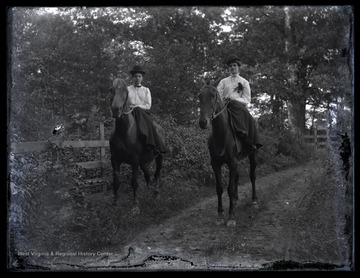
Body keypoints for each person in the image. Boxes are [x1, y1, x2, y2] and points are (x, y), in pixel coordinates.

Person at [217, 54, 263, 155]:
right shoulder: (223, 82)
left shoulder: (244, 82)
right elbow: (218, 96)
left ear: (238, 67)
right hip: (225, 107)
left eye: (234, 65)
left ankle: (245, 136)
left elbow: (247, 99)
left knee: (238, 108)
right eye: (230, 66)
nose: (232, 68)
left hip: (239, 108)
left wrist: (233, 99)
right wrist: (224, 101)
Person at [127, 65, 168, 154]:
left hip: (142, 113)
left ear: (142, 78)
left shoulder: (146, 90)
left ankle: (153, 145)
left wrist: (137, 107)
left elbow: (148, 105)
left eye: (139, 76)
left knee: (149, 123)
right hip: (129, 113)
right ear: (132, 78)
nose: (137, 78)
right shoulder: (127, 89)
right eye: (135, 76)